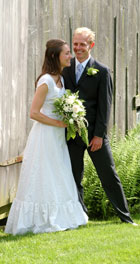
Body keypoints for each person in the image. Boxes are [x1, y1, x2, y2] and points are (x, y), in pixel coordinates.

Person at [5, 39, 88, 235]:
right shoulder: (46, 81)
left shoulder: (61, 79)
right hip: (44, 137)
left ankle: (63, 216)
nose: (70, 56)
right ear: (55, 56)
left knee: (58, 174)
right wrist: (59, 123)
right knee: (44, 175)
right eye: (66, 53)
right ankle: (41, 219)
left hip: (58, 137)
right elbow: (33, 113)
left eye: (70, 52)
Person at [62, 27, 138, 226]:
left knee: (109, 175)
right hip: (71, 135)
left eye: (82, 44)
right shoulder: (65, 68)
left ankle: (125, 217)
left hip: (95, 135)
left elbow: (106, 106)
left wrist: (98, 135)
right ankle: (80, 216)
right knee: (73, 177)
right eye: (75, 43)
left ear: (91, 46)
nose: (77, 48)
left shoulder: (102, 71)